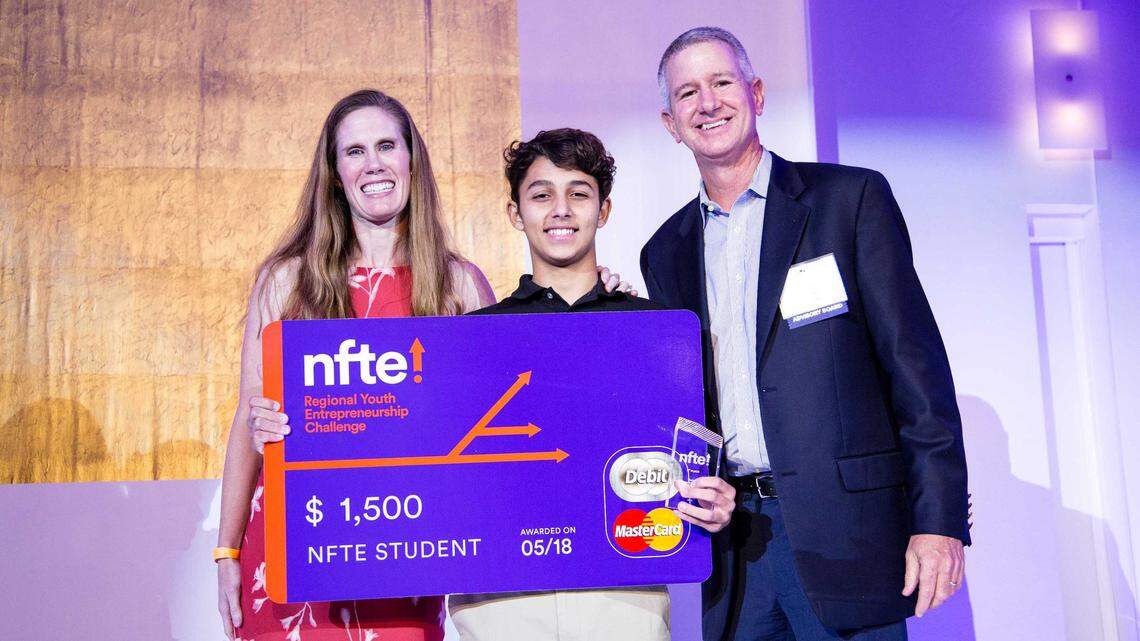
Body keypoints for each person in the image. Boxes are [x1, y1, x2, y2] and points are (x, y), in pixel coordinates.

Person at [221, 91, 634, 641]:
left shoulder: (460, 284)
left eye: (387, 145)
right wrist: (225, 550)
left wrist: (606, 299)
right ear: (335, 172)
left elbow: (512, 412)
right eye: (355, 151)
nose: (373, 164)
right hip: (296, 553)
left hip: (408, 556)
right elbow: (245, 423)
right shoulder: (285, 281)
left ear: (412, 160)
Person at [640, 28, 970, 641]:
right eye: (687, 93)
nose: (707, 103)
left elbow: (915, 369)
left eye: (721, 83)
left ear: (756, 93)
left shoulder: (849, 200)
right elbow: (683, 402)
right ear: (670, 122)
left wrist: (939, 522)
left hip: (849, 533)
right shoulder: (664, 250)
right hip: (735, 552)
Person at [447, 128, 736, 640]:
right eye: (541, 195)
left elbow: (697, 443)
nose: (561, 210)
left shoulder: (657, 329)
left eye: (578, 193)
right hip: (500, 597)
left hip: (624, 593)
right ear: (516, 213)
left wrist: (714, 496)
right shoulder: (473, 337)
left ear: (603, 211)